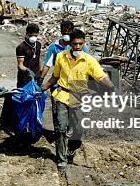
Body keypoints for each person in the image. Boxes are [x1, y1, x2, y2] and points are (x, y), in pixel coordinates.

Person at [41, 29, 115, 172]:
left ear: (84, 43)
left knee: (79, 128)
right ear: (70, 44)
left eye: (80, 44)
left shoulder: (89, 60)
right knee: (61, 128)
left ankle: (72, 148)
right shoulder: (61, 57)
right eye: (75, 44)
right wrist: (43, 87)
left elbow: (101, 76)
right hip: (61, 95)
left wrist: (112, 87)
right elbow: (55, 76)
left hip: (79, 98)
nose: (77, 47)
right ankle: (61, 159)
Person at [16, 23, 43, 88]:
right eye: (31, 35)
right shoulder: (21, 47)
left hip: (36, 75)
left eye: (35, 35)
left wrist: (40, 72)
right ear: (27, 34)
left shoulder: (38, 44)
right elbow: (20, 65)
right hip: (24, 78)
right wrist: (28, 71)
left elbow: (38, 59)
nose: (33, 38)